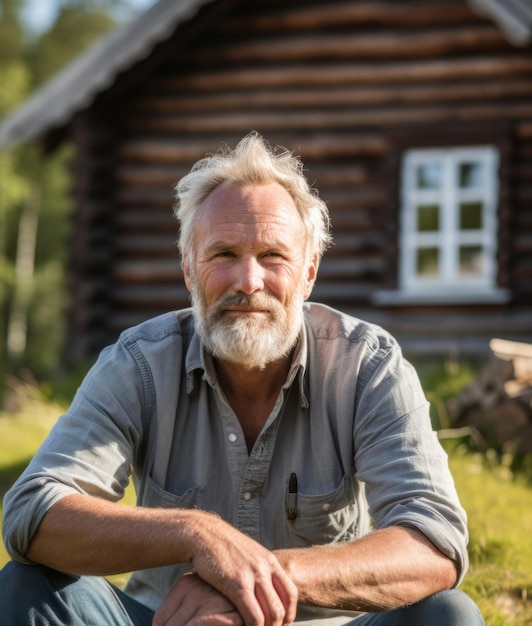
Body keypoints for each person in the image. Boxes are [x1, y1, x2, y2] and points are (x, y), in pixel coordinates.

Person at [0, 132, 484, 626]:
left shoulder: (367, 365)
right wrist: (198, 535)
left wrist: (260, 578)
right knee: (27, 587)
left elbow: (435, 540)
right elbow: (33, 511)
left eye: (273, 256)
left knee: (448, 615)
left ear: (309, 273)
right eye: (224, 255)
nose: (248, 282)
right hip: (170, 621)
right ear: (190, 270)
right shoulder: (139, 364)